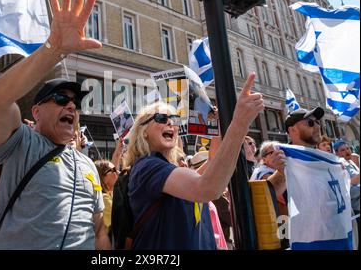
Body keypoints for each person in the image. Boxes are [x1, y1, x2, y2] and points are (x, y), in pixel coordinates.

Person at [0, 0, 110, 250]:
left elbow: (99, 231)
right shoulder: (18, 144)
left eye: (76, 103)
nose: (72, 107)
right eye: (62, 99)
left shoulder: (87, 166)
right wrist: (56, 48)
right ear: (36, 111)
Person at [124, 73, 264, 249]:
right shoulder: (147, 167)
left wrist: (218, 126)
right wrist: (240, 124)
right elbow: (207, 188)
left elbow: (213, 162)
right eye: (161, 118)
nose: (170, 123)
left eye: (174, 119)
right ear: (144, 131)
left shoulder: (169, 169)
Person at [250, 141, 288, 217]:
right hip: (278, 222)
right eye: (273, 152)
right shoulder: (265, 174)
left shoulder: (263, 170)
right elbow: (283, 205)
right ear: (264, 159)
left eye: (279, 151)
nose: (278, 154)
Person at [334, 140, 360, 243]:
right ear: (337, 153)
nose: (347, 151)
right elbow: (347, 191)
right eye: (342, 150)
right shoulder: (340, 166)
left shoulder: (351, 162)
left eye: (348, 148)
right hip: (355, 209)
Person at [95, 160, 119, 238]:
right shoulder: (104, 199)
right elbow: (119, 223)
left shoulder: (103, 196)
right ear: (103, 176)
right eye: (114, 170)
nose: (118, 172)